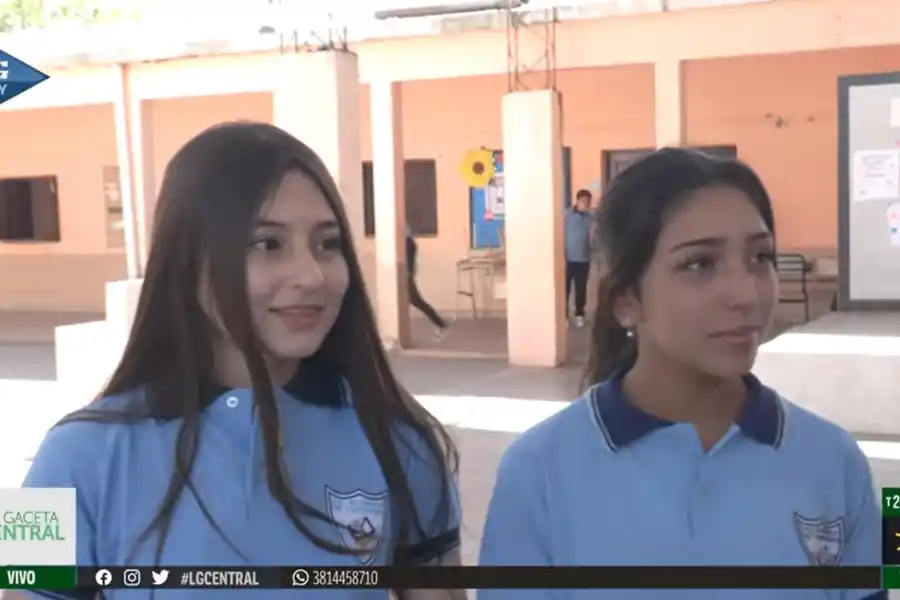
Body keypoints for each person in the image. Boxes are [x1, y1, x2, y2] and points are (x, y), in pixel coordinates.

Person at [9, 122, 463, 600]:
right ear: (186, 260)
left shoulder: (402, 438)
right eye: (268, 244)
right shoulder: (67, 454)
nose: (310, 275)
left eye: (327, 244)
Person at [478, 148, 884, 600]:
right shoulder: (540, 472)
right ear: (627, 298)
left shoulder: (834, 462)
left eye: (760, 257)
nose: (745, 293)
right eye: (699, 264)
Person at [406, 226, 450, 341]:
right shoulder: (409, 242)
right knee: (417, 302)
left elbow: (408, 261)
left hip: (405, 277)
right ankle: (441, 324)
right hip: (406, 276)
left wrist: (408, 273)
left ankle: (441, 324)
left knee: (417, 301)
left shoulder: (407, 243)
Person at [565, 189, 593, 327]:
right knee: (565, 289)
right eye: (583, 201)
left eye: (588, 202)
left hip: (583, 259)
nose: (585, 204)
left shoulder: (590, 217)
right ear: (577, 201)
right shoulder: (566, 215)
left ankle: (579, 314)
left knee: (581, 289)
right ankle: (563, 315)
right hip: (567, 259)